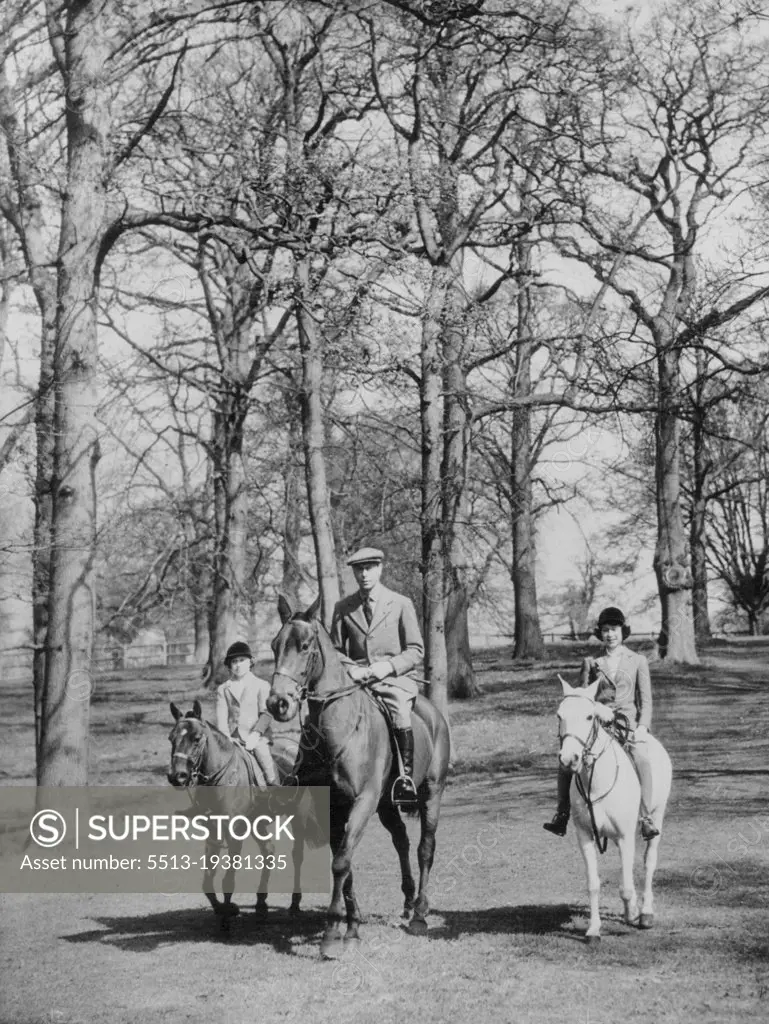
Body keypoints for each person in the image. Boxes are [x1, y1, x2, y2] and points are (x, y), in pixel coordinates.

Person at [543, 606, 660, 841]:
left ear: (623, 631)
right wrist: (597, 708)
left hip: (627, 724)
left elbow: (646, 700)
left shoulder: (638, 661)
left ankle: (645, 817)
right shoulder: (592, 663)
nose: (610, 635)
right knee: (566, 761)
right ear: (601, 633)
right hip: (598, 725)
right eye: (605, 630)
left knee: (642, 759)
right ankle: (562, 813)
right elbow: (581, 699)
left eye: (614, 630)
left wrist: (643, 727)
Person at [331, 547, 424, 807]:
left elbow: (416, 650)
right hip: (358, 680)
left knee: (399, 711)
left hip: (394, 678)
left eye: (369, 567)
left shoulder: (401, 603)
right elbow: (335, 651)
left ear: (380, 569)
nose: (364, 574)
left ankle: (405, 779)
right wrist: (352, 669)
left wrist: (389, 667)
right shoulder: (343, 608)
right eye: (359, 569)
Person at [215, 640, 278, 786]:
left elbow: (267, 713)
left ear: (250, 662)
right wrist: (225, 736)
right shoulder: (223, 689)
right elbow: (222, 717)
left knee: (264, 760)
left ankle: (274, 787)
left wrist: (256, 734)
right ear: (229, 665)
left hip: (256, 736)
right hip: (232, 737)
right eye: (234, 661)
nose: (238, 665)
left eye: (242, 660)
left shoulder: (261, 685)